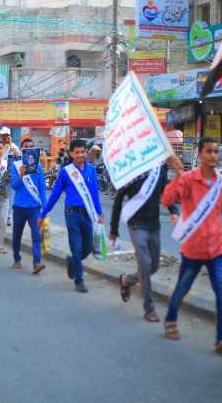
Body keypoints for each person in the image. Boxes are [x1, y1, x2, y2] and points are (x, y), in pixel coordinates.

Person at [160, 139, 222, 355]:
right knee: (182, 288)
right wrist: (176, 175)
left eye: (216, 151)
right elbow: (167, 199)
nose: (213, 155)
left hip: (217, 249)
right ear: (200, 154)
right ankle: (171, 319)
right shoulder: (188, 179)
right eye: (209, 151)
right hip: (193, 250)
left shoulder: (221, 182)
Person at [109, 160, 179, 322]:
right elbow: (118, 200)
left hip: (154, 224)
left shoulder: (159, 168)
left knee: (154, 266)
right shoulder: (129, 167)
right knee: (145, 265)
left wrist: (174, 210)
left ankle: (126, 280)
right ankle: (149, 309)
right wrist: (114, 230)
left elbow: (166, 192)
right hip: (136, 225)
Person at [39, 139, 104, 293]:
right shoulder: (65, 172)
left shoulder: (91, 170)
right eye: (77, 152)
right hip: (72, 214)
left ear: (86, 152)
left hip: (87, 214)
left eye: (83, 152)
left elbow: (94, 193)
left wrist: (99, 212)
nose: (80, 155)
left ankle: (72, 262)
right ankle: (79, 280)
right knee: (77, 247)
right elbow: (55, 195)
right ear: (71, 154)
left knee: (88, 247)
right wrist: (43, 213)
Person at [10, 138, 47, 273]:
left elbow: (42, 188)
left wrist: (45, 208)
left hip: (34, 208)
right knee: (17, 235)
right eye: (26, 147)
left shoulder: (38, 168)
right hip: (19, 207)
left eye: (31, 146)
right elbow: (14, 186)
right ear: (22, 150)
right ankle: (16, 259)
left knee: (36, 235)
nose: (29, 148)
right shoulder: (16, 165)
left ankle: (36, 263)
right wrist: (20, 175)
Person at [0, 127, 21, 226]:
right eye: (1, 135)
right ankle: (0, 216)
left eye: (4, 135)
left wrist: (11, 145)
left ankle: (8, 217)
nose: (3, 137)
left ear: (8, 136)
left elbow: (20, 156)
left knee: (9, 197)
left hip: (10, 175)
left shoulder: (13, 146)